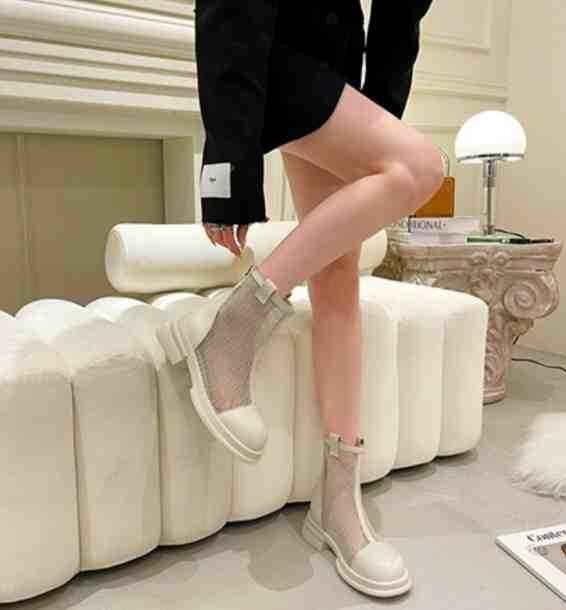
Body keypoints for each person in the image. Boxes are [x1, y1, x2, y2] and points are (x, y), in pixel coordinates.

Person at [156, 0, 443, 598]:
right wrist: (227, 171)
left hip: (334, 57)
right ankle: (232, 326)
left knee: (337, 273)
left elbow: (400, 11)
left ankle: (338, 502)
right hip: (266, 44)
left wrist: (375, 116)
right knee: (422, 167)